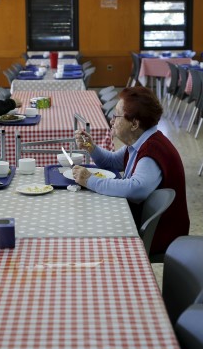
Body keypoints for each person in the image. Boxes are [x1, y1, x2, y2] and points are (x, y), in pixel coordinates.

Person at [71, 86, 189, 255]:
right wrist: (90, 147)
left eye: (116, 116)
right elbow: (111, 162)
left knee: (90, 231)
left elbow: (136, 189)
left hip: (160, 233)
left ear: (134, 123)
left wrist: (90, 180)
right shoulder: (141, 141)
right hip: (142, 220)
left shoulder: (151, 150)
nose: (111, 121)